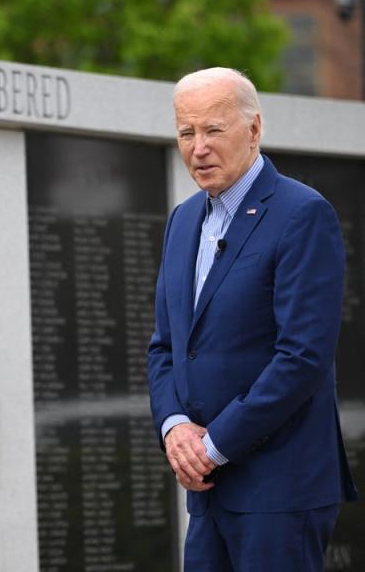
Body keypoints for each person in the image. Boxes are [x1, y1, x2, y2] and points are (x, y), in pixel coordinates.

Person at [146, 67, 358, 571]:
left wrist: (213, 447)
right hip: (210, 494)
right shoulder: (183, 220)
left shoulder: (303, 214)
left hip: (279, 491)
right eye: (186, 132)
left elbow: (302, 358)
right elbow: (166, 346)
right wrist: (174, 427)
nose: (198, 147)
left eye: (213, 130)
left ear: (254, 129)